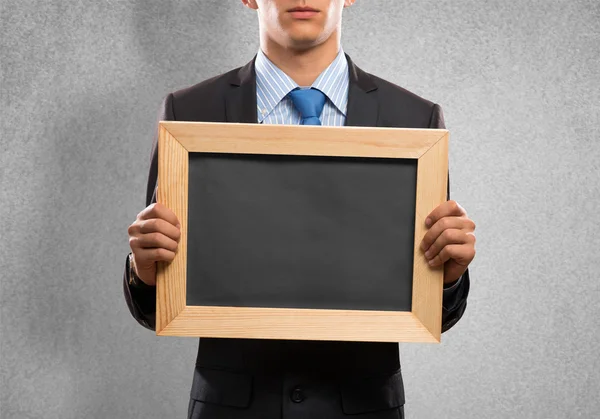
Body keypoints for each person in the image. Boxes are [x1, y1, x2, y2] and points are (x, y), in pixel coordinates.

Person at [123, 1, 476, 417]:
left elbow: (431, 309)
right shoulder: (190, 112)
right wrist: (143, 270)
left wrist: (448, 275)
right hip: (232, 408)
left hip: (362, 407)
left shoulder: (415, 121)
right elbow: (155, 300)